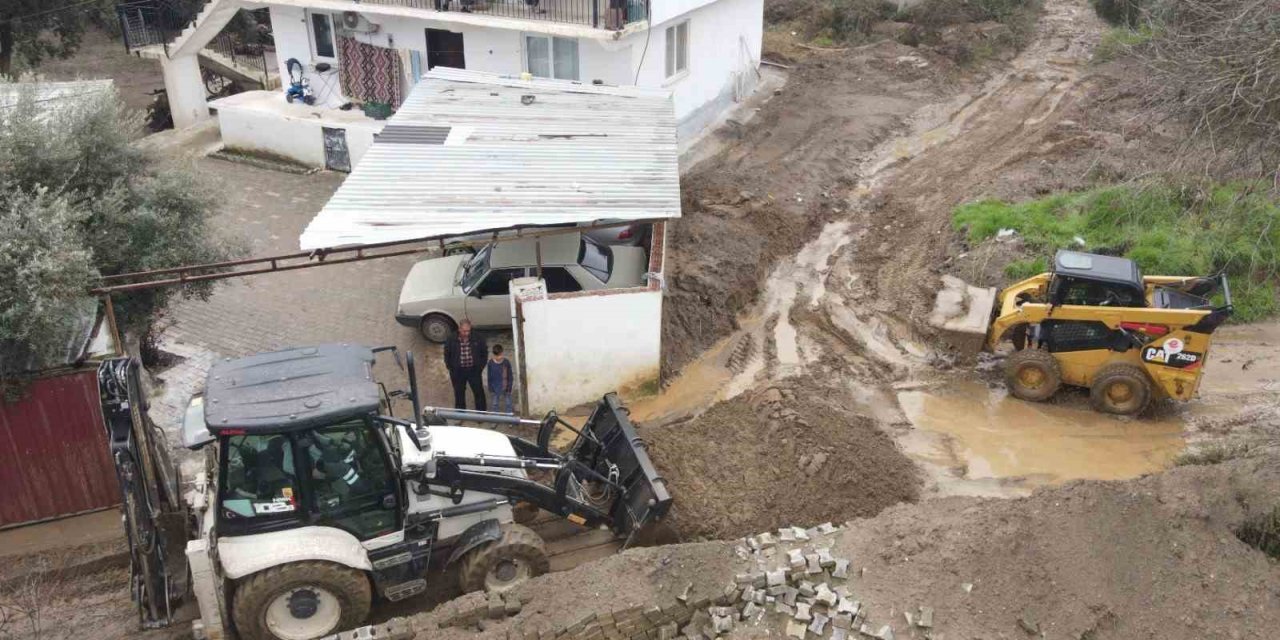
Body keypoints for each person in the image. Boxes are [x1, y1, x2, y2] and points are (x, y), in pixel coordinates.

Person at [443, 320, 487, 411]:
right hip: (458, 372)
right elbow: (447, 354)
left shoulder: (478, 338)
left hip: (474, 370)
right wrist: (450, 367)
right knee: (459, 393)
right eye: (464, 331)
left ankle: (481, 414)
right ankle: (460, 415)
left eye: (468, 331)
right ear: (459, 329)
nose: (467, 333)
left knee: (479, 392)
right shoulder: (451, 338)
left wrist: (480, 367)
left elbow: (484, 353)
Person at [487, 344, 515, 414]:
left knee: (508, 403)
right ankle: (496, 418)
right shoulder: (490, 363)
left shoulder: (506, 363)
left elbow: (510, 376)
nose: (498, 357)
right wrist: (490, 388)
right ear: (493, 355)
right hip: (495, 387)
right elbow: (489, 376)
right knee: (495, 404)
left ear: (502, 353)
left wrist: (509, 387)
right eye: (496, 356)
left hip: (505, 387)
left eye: (500, 355)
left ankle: (509, 419)